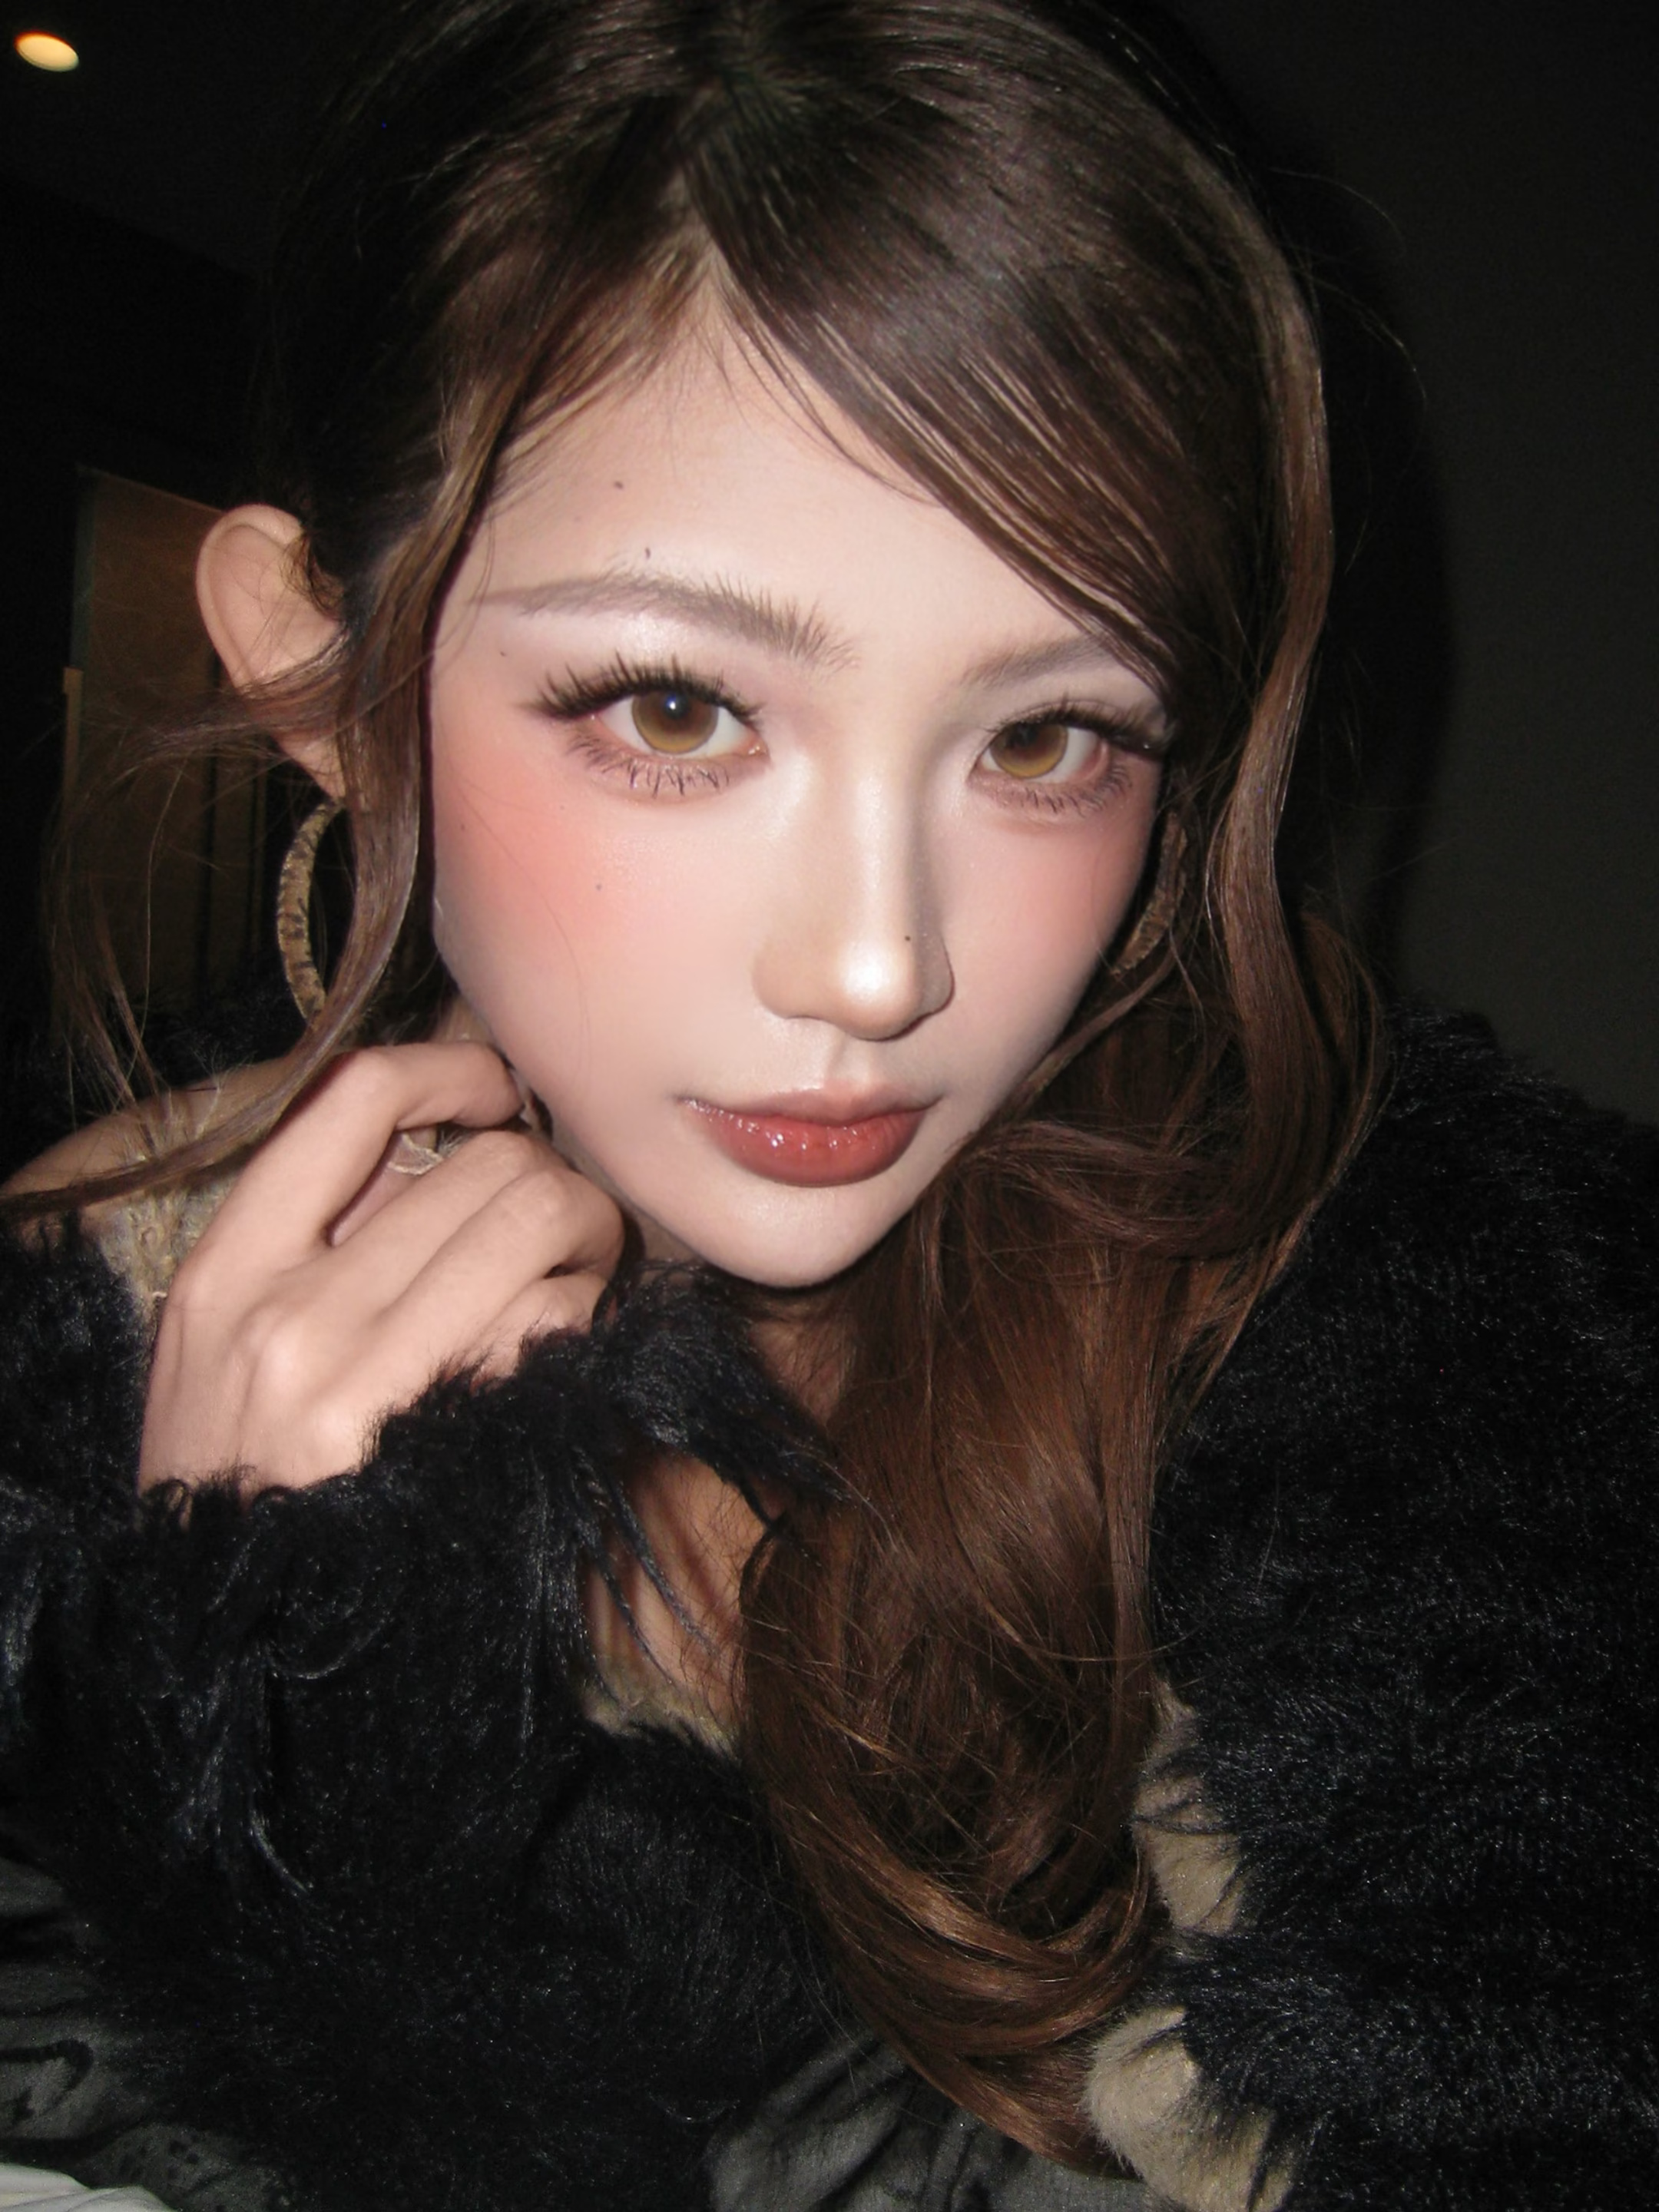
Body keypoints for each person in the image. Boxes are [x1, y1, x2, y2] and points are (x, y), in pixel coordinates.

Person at [1, 1, 1654, 2207]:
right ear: (322, 671)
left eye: (1048, 737)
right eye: (678, 707)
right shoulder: (80, 1335)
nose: (879, 968)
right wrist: (245, 1701)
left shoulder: (1388, 1357)